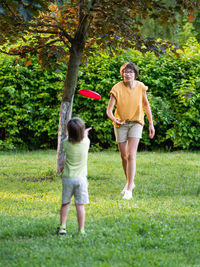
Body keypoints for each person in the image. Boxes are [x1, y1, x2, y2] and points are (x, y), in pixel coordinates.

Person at [106, 62, 155, 200]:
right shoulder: (116, 88)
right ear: (122, 74)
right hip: (120, 124)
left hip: (136, 123)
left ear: (135, 74)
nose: (127, 74)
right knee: (123, 156)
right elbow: (109, 110)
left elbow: (146, 105)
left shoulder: (140, 87)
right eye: (125, 72)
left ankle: (129, 188)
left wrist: (151, 124)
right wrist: (114, 119)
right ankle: (129, 182)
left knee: (131, 154)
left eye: (130, 72)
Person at [57, 117, 92, 235]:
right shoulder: (86, 143)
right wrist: (85, 133)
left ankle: (62, 227)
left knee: (65, 203)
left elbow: (71, 138)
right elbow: (84, 137)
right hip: (81, 179)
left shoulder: (65, 143)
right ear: (82, 131)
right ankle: (81, 230)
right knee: (80, 205)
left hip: (67, 178)